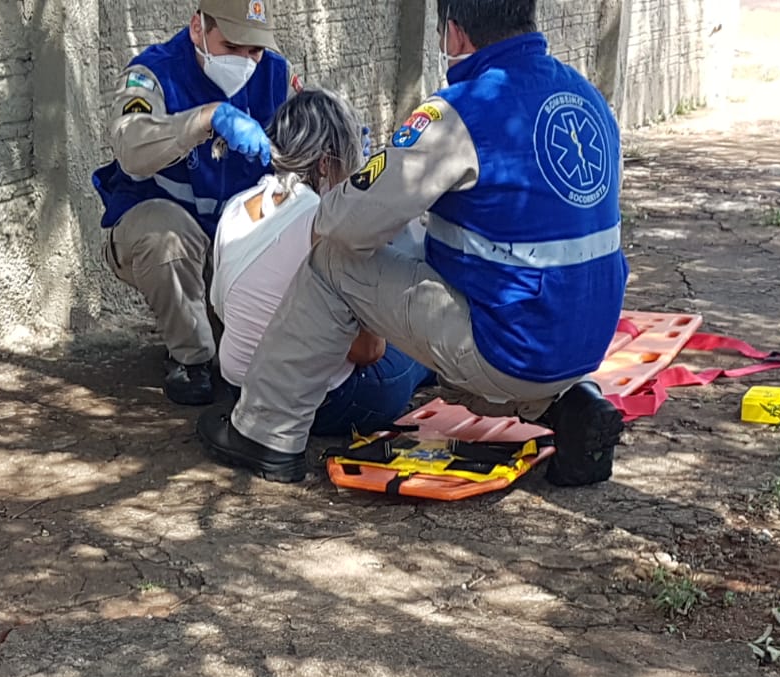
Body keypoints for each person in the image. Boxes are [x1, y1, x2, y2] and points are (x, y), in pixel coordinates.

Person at [198, 0, 629, 486]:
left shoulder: (461, 112)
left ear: (454, 35)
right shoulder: (587, 97)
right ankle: (573, 405)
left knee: (333, 259)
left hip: (509, 349)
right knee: (470, 269)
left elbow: (347, 223)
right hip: (584, 339)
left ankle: (265, 432)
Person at [92, 0, 297, 406]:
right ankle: (191, 359)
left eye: (253, 50)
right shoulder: (153, 73)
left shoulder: (278, 75)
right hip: (166, 235)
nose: (245, 60)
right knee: (164, 236)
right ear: (198, 29)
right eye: (232, 46)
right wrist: (204, 120)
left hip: (237, 247)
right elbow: (131, 147)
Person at [211, 89, 437, 436]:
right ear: (325, 163)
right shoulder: (326, 225)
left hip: (241, 387)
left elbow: (223, 306)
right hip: (322, 402)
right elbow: (368, 351)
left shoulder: (237, 206)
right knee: (416, 349)